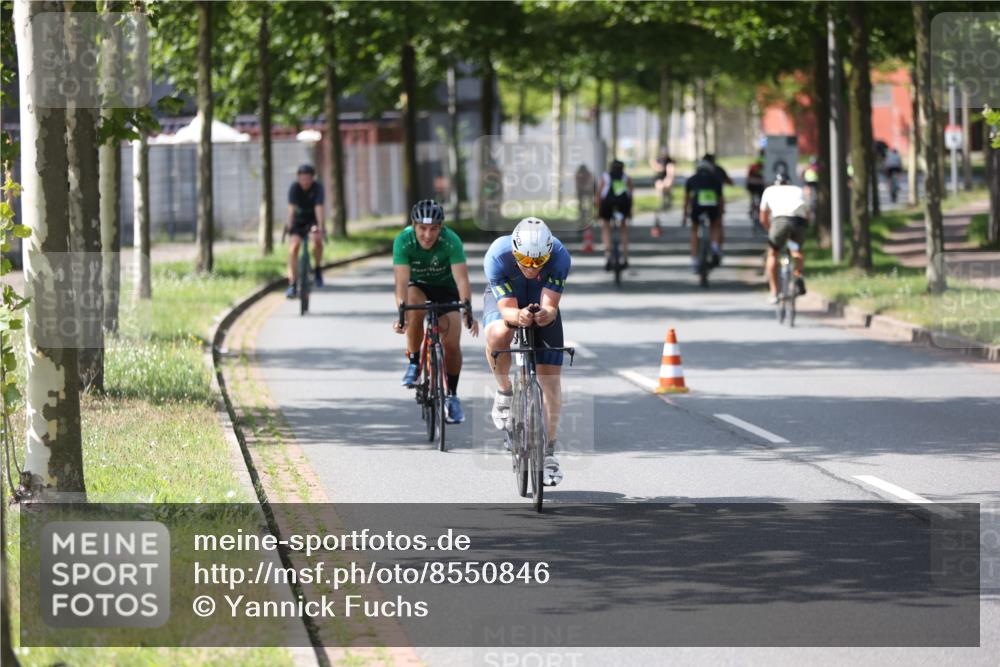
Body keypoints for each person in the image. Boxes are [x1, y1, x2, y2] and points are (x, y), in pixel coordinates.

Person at [483, 217, 571, 486]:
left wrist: (546, 314)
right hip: (507, 301)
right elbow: (507, 309)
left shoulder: (560, 256)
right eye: (524, 260)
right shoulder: (497, 255)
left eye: (539, 261)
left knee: (551, 381)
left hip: (539, 300)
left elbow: (551, 307)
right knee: (499, 334)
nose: (531, 267)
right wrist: (517, 316)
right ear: (514, 251)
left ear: (548, 254)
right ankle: (504, 391)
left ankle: (549, 451)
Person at [393, 199, 479, 424]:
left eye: (433, 229)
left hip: (447, 289)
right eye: (422, 228)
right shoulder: (403, 240)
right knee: (414, 307)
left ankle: (452, 395)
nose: (428, 235)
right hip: (418, 286)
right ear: (414, 225)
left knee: (452, 344)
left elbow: (462, 280)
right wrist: (402, 314)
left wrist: (467, 309)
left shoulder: (451, 241)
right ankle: (414, 363)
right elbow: (401, 282)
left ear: (441, 228)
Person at [760, 172, 810, 304]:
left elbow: (763, 218)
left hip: (779, 222)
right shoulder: (798, 190)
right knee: (796, 250)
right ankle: (798, 276)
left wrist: (770, 230)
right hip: (798, 222)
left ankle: (774, 292)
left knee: (772, 254)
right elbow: (808, 214)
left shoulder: (769, 190)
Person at [285, 164, 325, 298]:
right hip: (298, 222)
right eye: (302, 179)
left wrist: (320, 227)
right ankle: (292, 283)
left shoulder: (318, 188)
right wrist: (290, 226)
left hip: (313, 221)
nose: (305, 182)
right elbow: (291, 209)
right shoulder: (294, 188)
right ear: (298, 178)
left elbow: (319, 208)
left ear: (313, 178)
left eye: (307, 179)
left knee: (317, 241)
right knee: (293, 248)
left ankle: (318, 268)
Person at [683, 158, 725, 272]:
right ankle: (715, 248)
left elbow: (686, 199)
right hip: (712, 207)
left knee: (694, 230)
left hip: (697, 207)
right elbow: (721, 199)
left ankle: (694, 261)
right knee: (715, 226)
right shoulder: (716, 180)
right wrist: (721, 213)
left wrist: (685, 214)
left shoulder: (691, 179)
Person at [594, 159, 634, 270]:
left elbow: (599, 194)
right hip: (623, 205)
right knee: (623, 227)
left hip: (607, 204)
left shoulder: (605, 176)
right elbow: (630, 195)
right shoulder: (626, 178)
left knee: (606, 226)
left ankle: (607, 255)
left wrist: (598, 211)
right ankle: (625, 257)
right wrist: (630, 211)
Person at [649, 149, 676, 221]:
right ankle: (662, 203)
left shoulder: (669, 162)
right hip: (659, 179)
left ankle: (667, 202)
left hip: (666, 178)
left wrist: (668, 179)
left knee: (666, 189)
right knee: (661, 189)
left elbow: (671, 172)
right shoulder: (658, 160)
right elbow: (656, 166)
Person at [746, 153, 766, 231]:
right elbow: (749, 177)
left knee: (759, 199)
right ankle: (752, 207)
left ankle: (754, 208)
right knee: (755, 198)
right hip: (754, 185)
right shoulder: (754, 167)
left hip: (757, 185)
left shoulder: (758, 166)